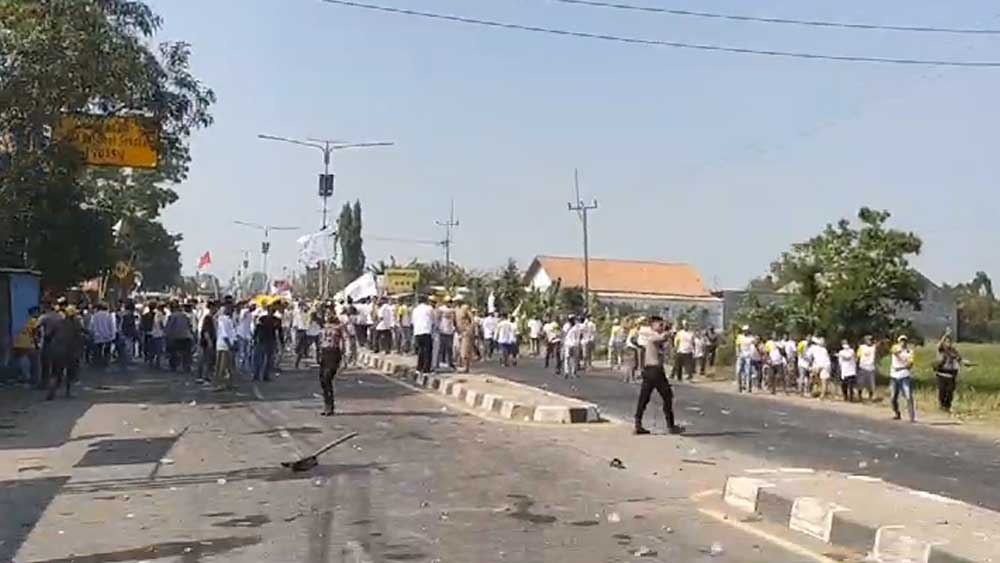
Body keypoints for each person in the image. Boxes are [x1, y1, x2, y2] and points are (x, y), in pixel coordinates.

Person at [634, 316, 685, 436]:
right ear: (652, 325)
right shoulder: (652, 336)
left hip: (651, 370)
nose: (662, 327)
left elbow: (666, 342)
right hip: (654, 370)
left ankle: (638, 423)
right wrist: (671, 330)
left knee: (644, 397)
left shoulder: (655, 336)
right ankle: (670, 425)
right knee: (667, 396)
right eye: (659, 325)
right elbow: (663, 337)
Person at [47, 306, 85, 400]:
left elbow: (48, 335)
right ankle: (68, 392)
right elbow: (80, 335)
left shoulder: (57, 323)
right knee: (70, 373)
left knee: (55, 372)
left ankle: (51, 391)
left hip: (56, 351)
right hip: (70, 352)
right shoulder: (76, 324)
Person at [318, 312, 345, 416]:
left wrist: (344, 357)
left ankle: (330, 406)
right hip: (324, 353)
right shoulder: (324, 328)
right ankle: (327, 405)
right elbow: (320, 342)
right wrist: (318, 354)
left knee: (327, 377)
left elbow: (343, 341)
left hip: (334, 353)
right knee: (323, 381)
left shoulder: (339, 328)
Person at [935, 331, 969, 412]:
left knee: (950, 391)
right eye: (946, 342)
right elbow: (939, 345)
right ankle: (942, 405)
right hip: (942, 374)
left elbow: (959, 359)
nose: (948, 343)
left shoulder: (953, 351)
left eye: (949, 342)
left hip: (951, 374)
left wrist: (965, 363)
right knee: (942, 391)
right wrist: (945, 335)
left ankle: (947, 406)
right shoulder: (942, 350)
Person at [253, 305, 283, 382]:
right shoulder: (263, 318)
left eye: (272, 311)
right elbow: (257, 328)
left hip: (270, 339)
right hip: (263, 340)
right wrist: (255, 338)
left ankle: (263, 375)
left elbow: (280, 331)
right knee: (261, 359)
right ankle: (257, 375)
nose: (271, 312)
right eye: (270, 310)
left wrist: (281, 340)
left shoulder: (276, 320)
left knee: (267, 359)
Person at [889, 335, 916, 421]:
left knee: (908, 396)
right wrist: (904, 362)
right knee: (893, 397)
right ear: (899, 342)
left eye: (904, 341)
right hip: (894, 376)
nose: (903, 343)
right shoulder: (895, 347)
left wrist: (901, 367)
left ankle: (911, 416)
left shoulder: (910, 351)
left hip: (905, 376)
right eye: (901, 341)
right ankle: (897, 413)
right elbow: (894, 352)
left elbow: (910, 365)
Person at [12, 306, 41, 386]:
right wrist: (37, 344)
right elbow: (35, 333)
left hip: (20, 343)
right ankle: (30, 380)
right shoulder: (34, 321)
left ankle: (25, 378)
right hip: (28, 343)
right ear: (33, 313)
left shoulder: (28, 321)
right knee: (33, 363)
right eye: (37, 312)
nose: (38, 313)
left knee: (24, 361)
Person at [164, 301, 194, 372]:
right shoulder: (185, 315)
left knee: (173, 352)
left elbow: (169, 327)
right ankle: (186, 367)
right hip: (186, 336)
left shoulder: (172, 316)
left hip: (176, 337)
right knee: (186, 353)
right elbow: (190, 326)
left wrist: (166, 335)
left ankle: (174, 366)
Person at [214, 304, 237, 391]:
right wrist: (229, 344)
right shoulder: (222, 319)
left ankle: (229, 383)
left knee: (230, 366)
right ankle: (219, 384)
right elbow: (224, 334)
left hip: (229, 344)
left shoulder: (230, 320)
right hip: (224, 345)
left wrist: (234, 342)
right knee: (221, 366)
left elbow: (232, 332)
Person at [89, 302, 116, 368]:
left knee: (98, 350)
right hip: (107, 336)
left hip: (97, 336)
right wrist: (113, 335)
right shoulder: (109, 315)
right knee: (107, 350)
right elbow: (112, 325)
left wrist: (92, 333)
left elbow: (91, 326)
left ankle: (98, 363)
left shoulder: (95, 316)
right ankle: (106, 363)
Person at [412, 295, 434, 373]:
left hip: (417, 332)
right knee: (427, 351)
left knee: (420, 351)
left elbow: (413, 321)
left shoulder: (415, 310)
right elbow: (433, 319)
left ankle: (419, 368)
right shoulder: (429, 308)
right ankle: (426, 369)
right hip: (426, 331)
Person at [197, 301, 218, 382]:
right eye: (215, 308)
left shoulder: (212, 317)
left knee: (208, 359)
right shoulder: (208, 317)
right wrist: (209, 341)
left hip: (210, 340)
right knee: (205, 359)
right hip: (206, 342)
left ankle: (205, 376)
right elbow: (205, 331)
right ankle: (203, 376)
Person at [117, 302, 139, 370]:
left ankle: (123, 362)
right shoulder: (129, 316)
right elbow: (131, 326)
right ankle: (126, 363)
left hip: (122, 333)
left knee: (124, 349)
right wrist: (135, 333)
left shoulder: (121, 314)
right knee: (128, 349)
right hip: (127, 334)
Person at [856, 335, 878, 402]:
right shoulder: (861, 347)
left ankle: (870, 397)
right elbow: (858, 357)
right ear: (865, 341)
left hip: (871, 368)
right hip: (862, 367)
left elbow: (880, 344)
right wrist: (857, 365)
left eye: (870, 340)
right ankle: (859, 396)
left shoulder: (874, 347)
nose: (869, 341)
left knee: (870, 384)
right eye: (868, 340)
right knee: (860, 383)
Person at [456, 303, 477, 373]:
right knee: (459, 350)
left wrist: (470, 329)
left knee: (464, 351)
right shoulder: (456, 309)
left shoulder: (465, 308)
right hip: (460, 332)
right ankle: (463, 366)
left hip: (466, 331)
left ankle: (465, 367)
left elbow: (472, 320)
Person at [437, 299, 456, 369]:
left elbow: (454, 319)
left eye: (450, 302)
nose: (449, 303)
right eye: (448, 302)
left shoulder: (452, 310)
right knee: (441, 347)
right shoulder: (441, 309)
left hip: (450, 331)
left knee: (449, 348)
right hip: (442, 330)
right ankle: (441, 361)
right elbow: (438, 317)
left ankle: (450, 363)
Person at [735, 326, 755, 392]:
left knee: (748, 372)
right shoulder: (740, 337)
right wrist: (738, 353)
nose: (745, 332)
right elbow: (737, 345)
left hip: (748, 356)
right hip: (741, 355)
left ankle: (749, 387)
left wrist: (751, 354)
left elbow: (753, 346)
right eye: (744, 330)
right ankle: (739, 386)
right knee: (738, 371)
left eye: (746, 330)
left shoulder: (751, 338)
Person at [293, 302, 310, 368]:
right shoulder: (297, 314)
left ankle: (298, 363)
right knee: (297, 348)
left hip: (306, 332)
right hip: (299, 332)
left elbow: (308, 323)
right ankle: (296, 363)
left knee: (303, 349)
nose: (303, 308)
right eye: (302, 306)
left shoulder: (307, 314)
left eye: (304, 306)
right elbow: (295, 325)